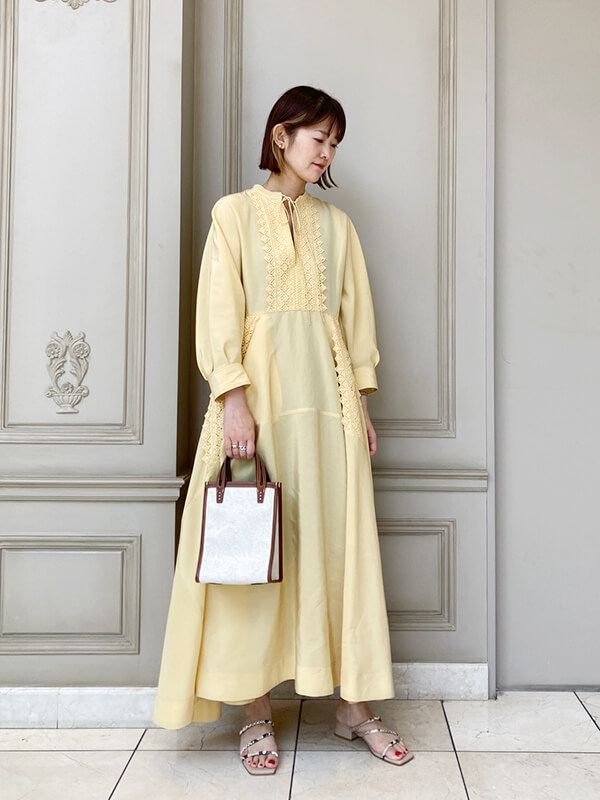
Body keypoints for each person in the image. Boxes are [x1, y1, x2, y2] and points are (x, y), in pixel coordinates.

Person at [152, 85, 414, 775]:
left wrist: (360, 404)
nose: (326, 152)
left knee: (336, 549)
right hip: (258, 408)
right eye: (318, 138)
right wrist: (233, 399)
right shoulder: (234, 215)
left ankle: (353, 709)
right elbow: (218, 311)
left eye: (335, 143)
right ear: (281, 136)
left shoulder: (338, 225)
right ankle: (255, 712)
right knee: (252, 553)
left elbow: (354, 322)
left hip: (328, 408)